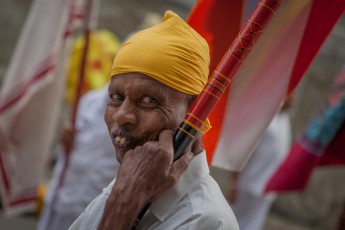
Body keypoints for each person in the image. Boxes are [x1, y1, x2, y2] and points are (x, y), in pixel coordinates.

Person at [69, 11, 239, 230]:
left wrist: (123, 206)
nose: (121, 115)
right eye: (117, 97)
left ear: (194, 112)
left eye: (149, 100)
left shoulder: (206, 220)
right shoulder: (133, 180)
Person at [37, 85, 120, 230]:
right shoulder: (90, 100)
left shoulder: (133, 112)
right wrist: (66, 136)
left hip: (95, 206)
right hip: (61, 198)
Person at [226, 104, 292, 230]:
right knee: (232, 223)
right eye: (291, 93)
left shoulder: (284, 118)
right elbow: (242, 150)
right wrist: (234, 182)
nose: (294, 99)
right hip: (248, 186)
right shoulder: (263, 117)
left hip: (267, 188)